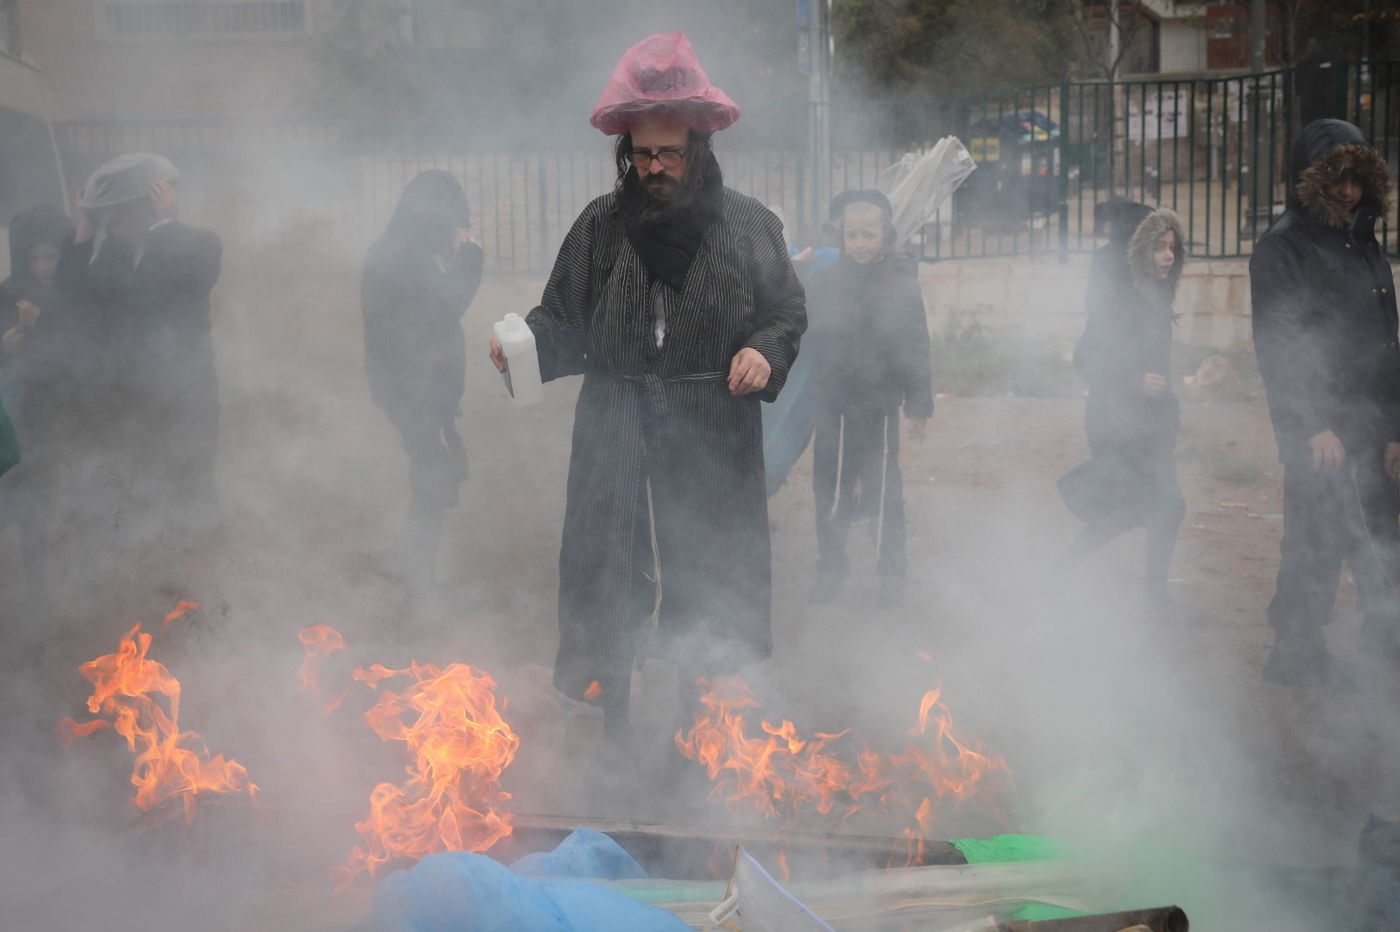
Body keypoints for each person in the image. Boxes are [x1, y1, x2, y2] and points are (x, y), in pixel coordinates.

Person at [489, 33, 806, 748]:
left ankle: (703, 720)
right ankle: (614, 719)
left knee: (711, 557)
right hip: (617, 411)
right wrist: (522, 346)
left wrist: (762, 350)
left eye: (668, 154)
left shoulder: (750, 225)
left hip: (711, 412)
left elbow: (786, 313)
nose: (653, 167)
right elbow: (560, 319)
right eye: (641, 154)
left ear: (699, 148)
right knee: (608, 556)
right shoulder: (600, 227)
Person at [1251, 119, 1400, 688]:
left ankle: (1383, 642)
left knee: (1377, 533)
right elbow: (1278, 342)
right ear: (1310, 180)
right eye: (1335, 179)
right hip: (1323, 430)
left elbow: (1387, 341)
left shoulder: (1361, 241)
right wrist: (1311, 424)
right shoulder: (1283, 245)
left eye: (1357, 180)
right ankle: (1295, 656)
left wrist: (1393, 429)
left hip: (1370, 421)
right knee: (1314, 543)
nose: (1347, 191)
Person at [57, 153, 223, 559]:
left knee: (188, 483)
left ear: (148, 205)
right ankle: (139, 578)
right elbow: (73, 301)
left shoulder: (198, 243)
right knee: (132, 488)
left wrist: (167, 224)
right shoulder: (109, 255)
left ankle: (201, 577)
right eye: (109, 215)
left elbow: (173, 286)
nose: (114, 222)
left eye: (121, 212)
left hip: (183, 396)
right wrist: (83, 231)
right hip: (124, 400)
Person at [806, 190, 932, 608]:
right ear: (842, 237)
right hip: (833, 406)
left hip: (878, 407)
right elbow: (800, 335)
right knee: (829, 489)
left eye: (869, 234)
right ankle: (831, 565)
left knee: (882, 490)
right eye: (852, 235)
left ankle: (892, 570)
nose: (860, 243)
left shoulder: (901, 285)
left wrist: (918, 406)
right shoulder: (823, 282)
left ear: (886, 235)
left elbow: (916, 347)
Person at [1057, 204, 1186, 610]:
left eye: (1172, 247)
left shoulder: (1155, 297)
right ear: (1136, 253)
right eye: (1158, 248)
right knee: (1162, 508)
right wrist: (1133, 381)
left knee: (1137, 512)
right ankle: (1153, 601)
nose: (1169, 255)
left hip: (1150, 426)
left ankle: (1059, 575)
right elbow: (1086, 358)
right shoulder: (1118, 302)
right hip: (1118, 424)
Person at [362, 170, 483, 595]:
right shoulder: (405, 258)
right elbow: (444, 308)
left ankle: (404, 559)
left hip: (409, 386)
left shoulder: (395, 251)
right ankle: (418, 579)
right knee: (432, 478)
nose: (456, 230)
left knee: (432, 474)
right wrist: (470, 260)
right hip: (414, 388)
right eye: (453, 220)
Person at [0, 204, 84, 622]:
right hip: (16, 422)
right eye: (35, 258)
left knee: (42, 505)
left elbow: (80, 349)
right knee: (14, 498)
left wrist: (43, 323)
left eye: (51, 256)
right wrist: (4, 349)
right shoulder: (6, 293)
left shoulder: (72, 296)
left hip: (57, 417)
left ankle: (40, 589)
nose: (44, 265)